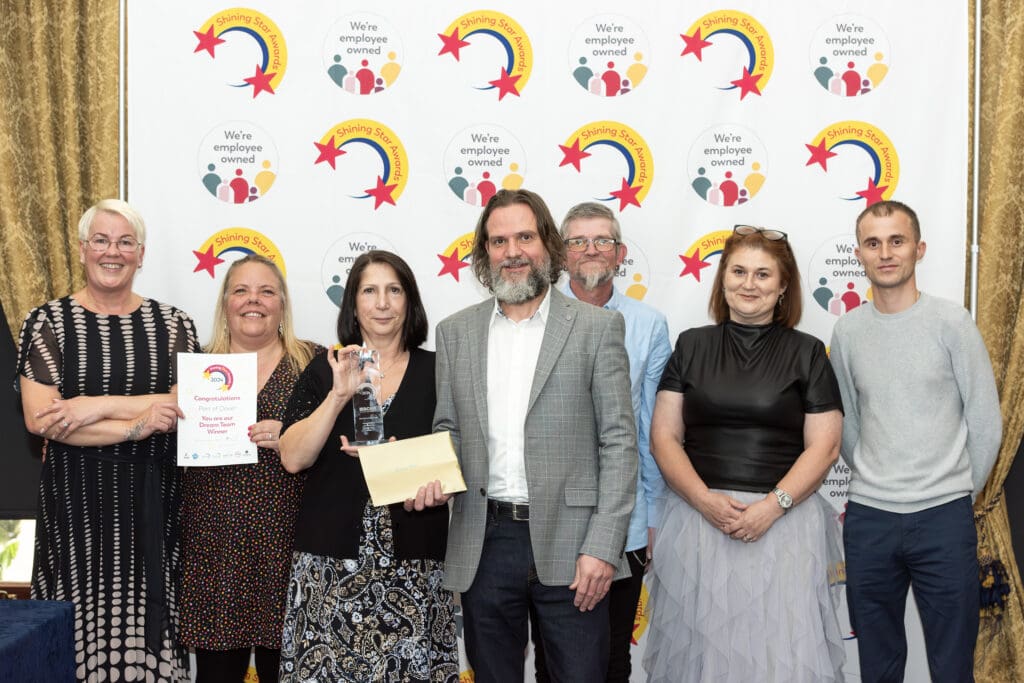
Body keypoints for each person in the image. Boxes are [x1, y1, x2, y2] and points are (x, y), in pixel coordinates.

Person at [431, 189, 637, 682]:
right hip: (485, 541)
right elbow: (448, 428)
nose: (512, 251)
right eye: (498, 241)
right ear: (484, 254)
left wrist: (603, 547)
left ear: (547, 244)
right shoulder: (454, 332)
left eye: (525, 236)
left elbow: (619, 443)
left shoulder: (596, 329)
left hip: (574, 547)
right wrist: (414, 468)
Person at [643, 224, 847, 682]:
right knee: (701, 659)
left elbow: (826, 445)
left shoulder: (808, 353)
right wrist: (703, 500)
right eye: (738, 271)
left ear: (782, 287)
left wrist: (772, 508)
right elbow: (663, 438)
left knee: (779, 660)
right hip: (698, 526)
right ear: (722, 279)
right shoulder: (691, 345)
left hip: (782, 530)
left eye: (762, 274)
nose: (748, 284)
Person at [17, 199, 200, 681]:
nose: (111, 252)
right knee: (74, 641)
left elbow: (184, 406)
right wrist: (139, 420)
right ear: (81, 249)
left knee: (150, 646)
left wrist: (92, 406)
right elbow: (42, 420)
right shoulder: (47, 323)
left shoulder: (176, 325)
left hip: (152, 510)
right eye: (101, 240)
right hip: (74, 512)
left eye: (125, 242)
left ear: (142, 254)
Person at [829, 201, 1001, 682]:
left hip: (944, 516)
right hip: (869, 519)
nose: (885, 252)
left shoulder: (952, 323)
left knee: (952, 666)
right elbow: (849, 420)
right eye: (873, 242)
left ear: (918, 249)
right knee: (878, 665)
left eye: (897, 241)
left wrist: (956, 487)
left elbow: (986, 420)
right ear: (859, 253)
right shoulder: (847, 331)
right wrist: (872, 472)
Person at [277, 250, 457, 682]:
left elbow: (459, 453)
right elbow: (292, 457)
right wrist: (339, 394)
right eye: (370, 291)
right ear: (353, 303)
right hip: (330, 570)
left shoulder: (439, 371)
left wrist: (409, 468)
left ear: (409, 302)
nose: (382, 303)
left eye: (394, 290)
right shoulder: (325, 371)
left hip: (413, 570)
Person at [530, 202, 671, 682]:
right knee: (550, 660)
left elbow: (653, 431)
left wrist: (651, 517)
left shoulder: (649, 325)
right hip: (545, 521)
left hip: (622, 522)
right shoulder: (532, 319)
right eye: (578, 242)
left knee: (612, 657)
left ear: (620, 254)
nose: (590, 250)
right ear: (561, 254)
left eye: (602, 241)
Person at [178, 254, 320, 683]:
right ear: (225, 303)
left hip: (293, 549)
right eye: (240, 290)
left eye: (266, 291)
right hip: (214, 552)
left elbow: (342, 448)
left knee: (290, 674)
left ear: (282, 303)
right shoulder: (196, 369)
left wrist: (292, 435)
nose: (252, 300)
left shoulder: (314, 364)